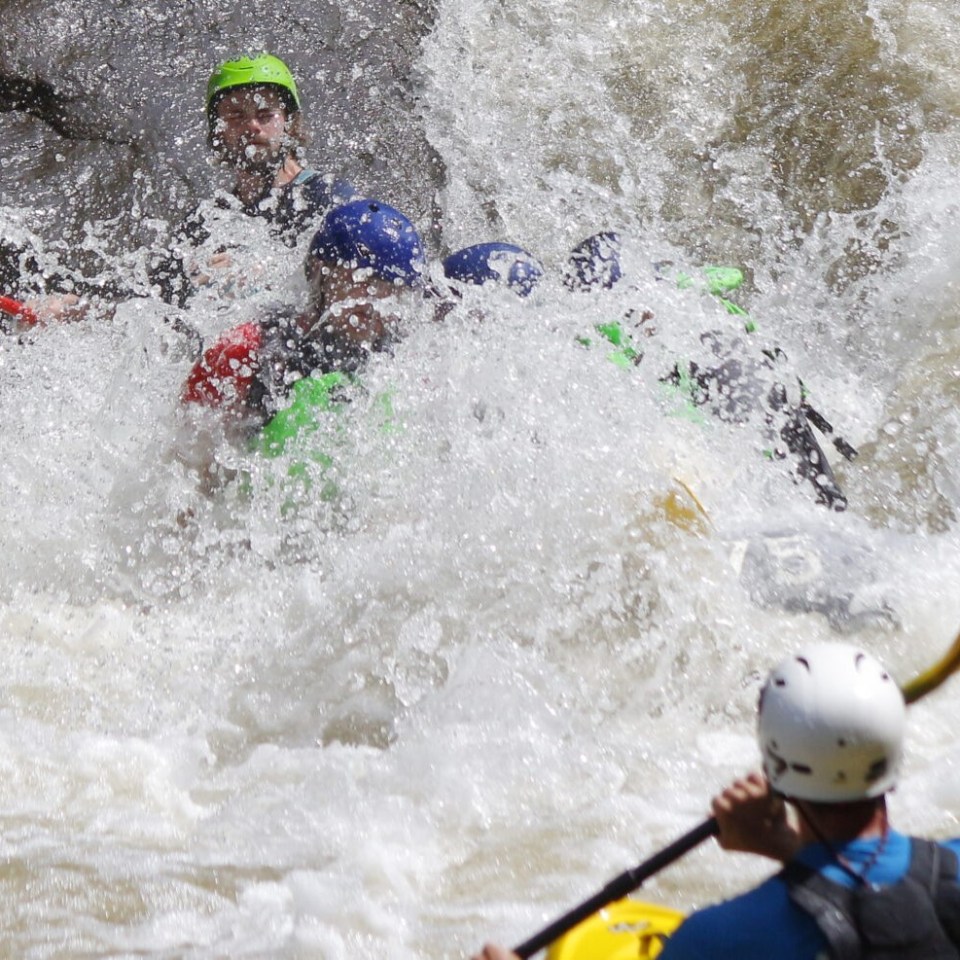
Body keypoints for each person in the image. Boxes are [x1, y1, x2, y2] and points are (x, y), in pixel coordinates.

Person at [471, 642, 960, 960]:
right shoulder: (951, 872)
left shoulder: (720, 940)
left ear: (773, 757)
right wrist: (787, 847)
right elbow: (883, 912)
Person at [181, 197, 426, 452]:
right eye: (363, 278)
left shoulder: (403, 369)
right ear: (320, 271)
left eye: (392, 288)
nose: (375, 300)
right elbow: (187, 466)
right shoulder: (246, 352)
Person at [149, 54, 357, 308]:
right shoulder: (204, 221)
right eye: (236, 117)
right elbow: (152, 304)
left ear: (290, 124)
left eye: (265, 115)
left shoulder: (328, 197)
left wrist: (265, 270)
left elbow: (358, 284)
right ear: (218, 131)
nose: (253, 127)